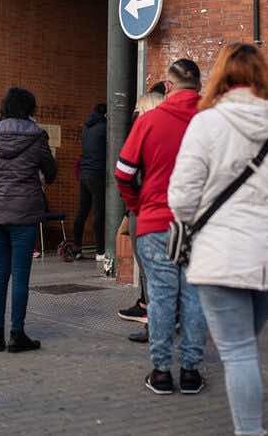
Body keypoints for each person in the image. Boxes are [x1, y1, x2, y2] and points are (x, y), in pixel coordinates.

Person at [169, 43, 268, 432]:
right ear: (264, 77)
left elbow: (180, 200)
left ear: (221, 79)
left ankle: (250, 431)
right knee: (243, 349)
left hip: (218, 261)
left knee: (238, 352)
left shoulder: (206, 125)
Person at [115, 59, 208, 395]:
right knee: (195, 297)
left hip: (156, 223)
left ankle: (161, 372)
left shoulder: (150, 121)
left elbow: (123, 173)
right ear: (199, 87)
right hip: (197, 225)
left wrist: (138, 204)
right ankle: (191, 373)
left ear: (168, 87)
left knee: (162, 297)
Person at [0, 87, 56, 354]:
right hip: (24, 213)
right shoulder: (37, 137)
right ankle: (17, 334)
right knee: (21, 276)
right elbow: (50, 172)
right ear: (29, 108)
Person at [119, 89, 165, 345]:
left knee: (148, 269)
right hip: (169, 211)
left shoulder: (143, 130)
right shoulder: (170, 133)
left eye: (137, 109)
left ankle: (154, 326)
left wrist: (133, 204)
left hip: (145, 209)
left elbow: (125, 173)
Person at [73, 103, 108, 261]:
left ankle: (76, 248)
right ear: (106, 114)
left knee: (83, 211)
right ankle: (100, 251)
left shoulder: (86, 128)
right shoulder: (105, 127)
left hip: (84, 173)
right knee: (99, 213)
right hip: (97, 174)